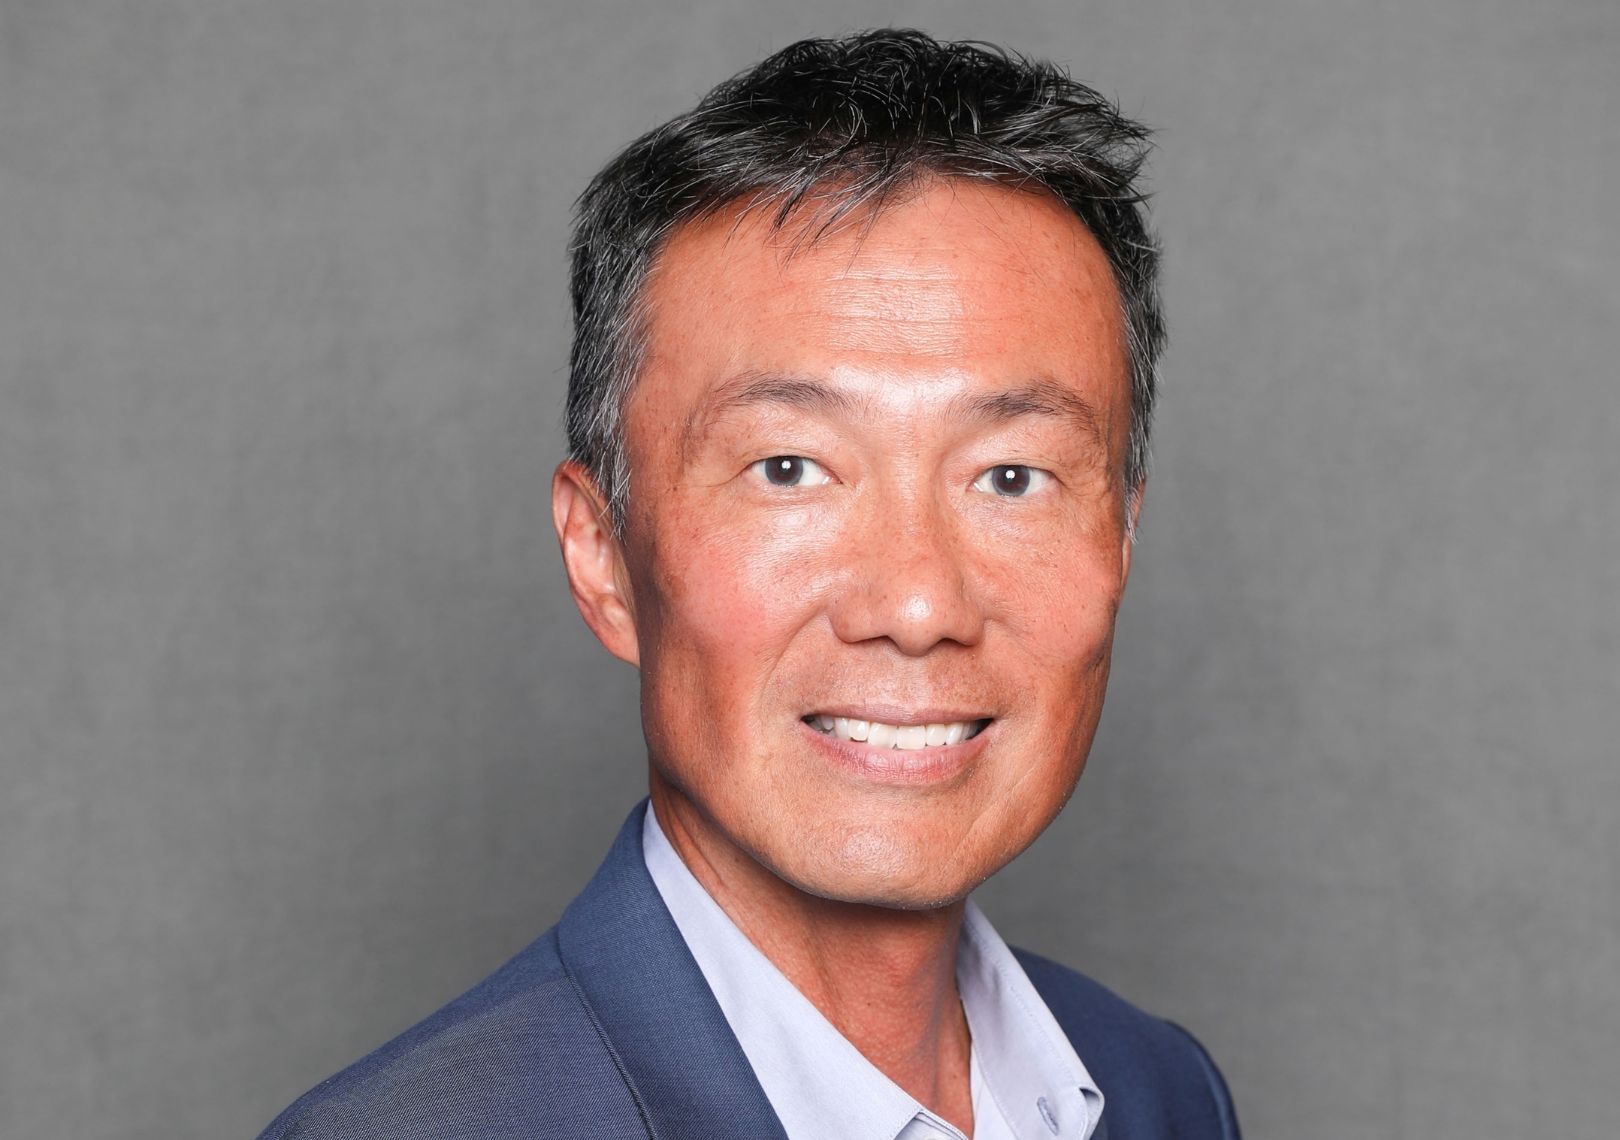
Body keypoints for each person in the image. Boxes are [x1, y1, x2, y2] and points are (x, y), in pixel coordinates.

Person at [259, 29, 1241, 1140]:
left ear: (1121, 540)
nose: (916, 607)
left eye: (1011, 477)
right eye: (790, 468)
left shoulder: (1158, 1091)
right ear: (602, 559)